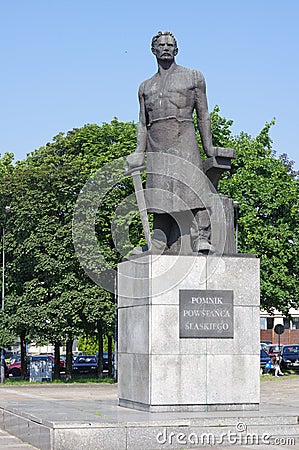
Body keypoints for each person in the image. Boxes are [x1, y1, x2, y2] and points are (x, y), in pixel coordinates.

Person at [127, 31, 217, 254]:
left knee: (194, 188)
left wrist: (209, 148)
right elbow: (142, 122)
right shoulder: (145, 87)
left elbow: (203, 114)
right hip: (157, 142)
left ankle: (202, 237)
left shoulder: (193, 77)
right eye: (161, 44)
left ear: (176, 50)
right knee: (159, 192)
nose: (166, 47)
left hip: (183, 135)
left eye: (170, 44)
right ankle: (158, 241)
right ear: (153, 50)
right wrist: (139, 151)